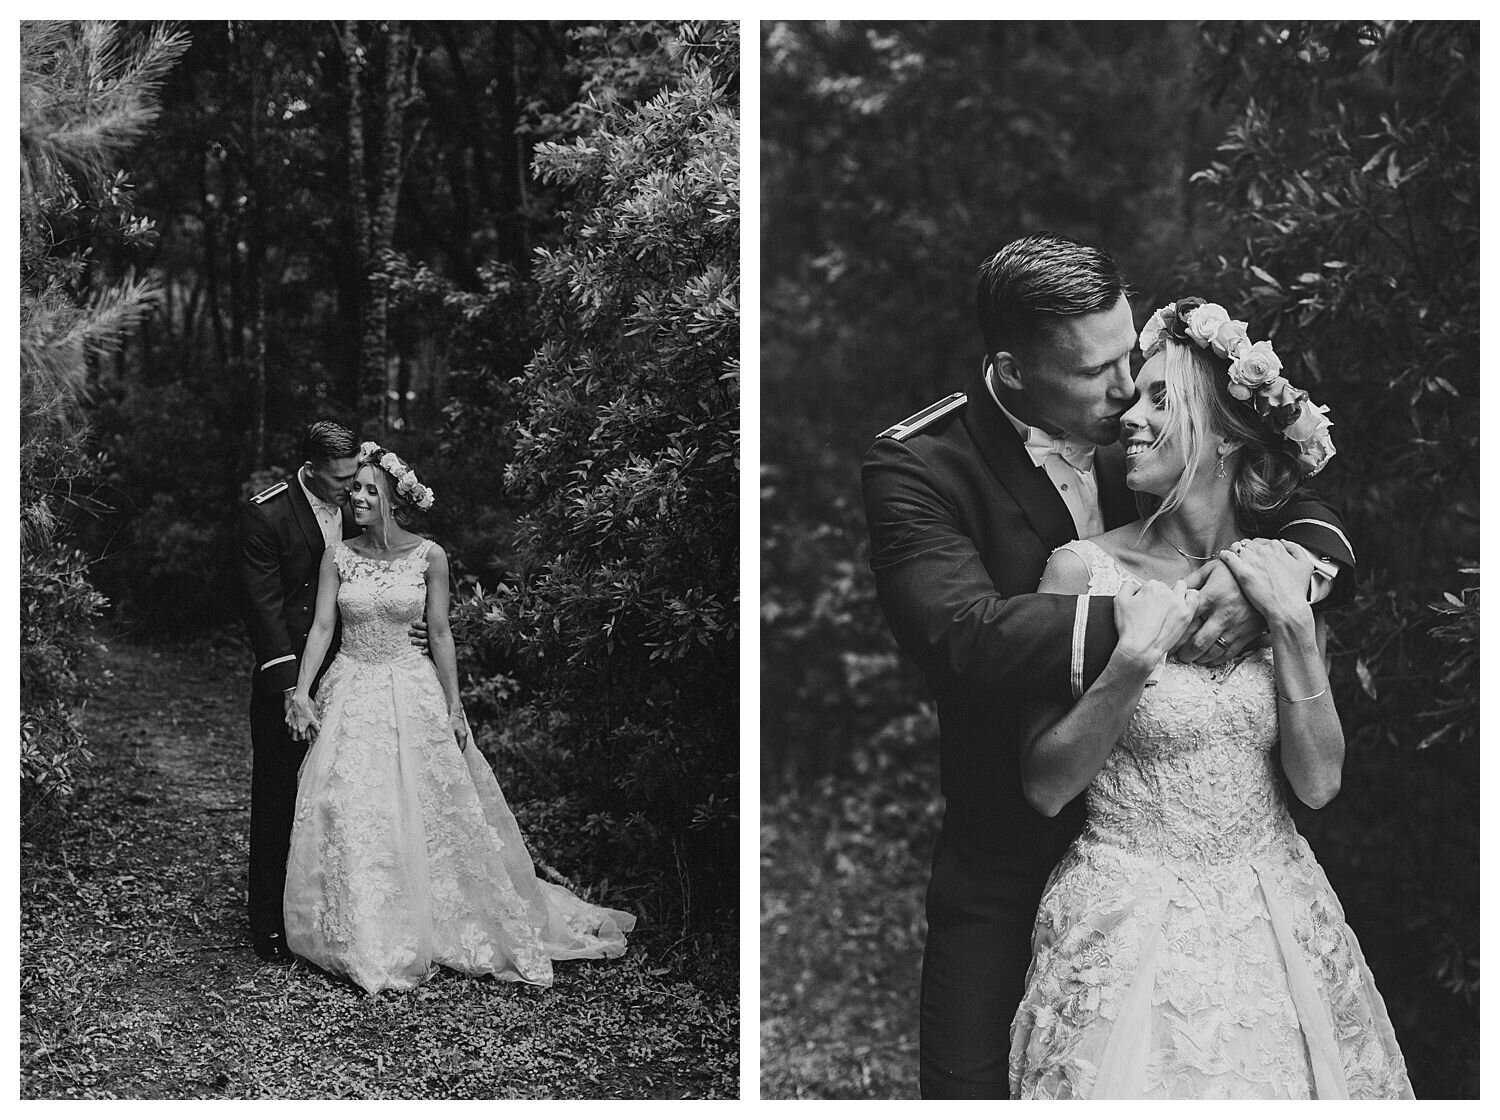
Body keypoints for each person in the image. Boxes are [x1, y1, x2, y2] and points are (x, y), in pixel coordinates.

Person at [861, 233, 1357, 1099]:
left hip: (1233, 890)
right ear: (1015, 374)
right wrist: (1153, 617)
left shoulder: (1156, 425)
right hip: (1014, 857)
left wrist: (1287, 583)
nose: (1127, 390)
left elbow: (1286, 497)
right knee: (968, 1092)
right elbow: (967, 638)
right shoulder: (921, 466)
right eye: (1098, 373)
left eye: (1130, 355)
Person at [1007, 296, 1411, 1098]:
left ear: (1226, 436)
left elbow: (1319, 784)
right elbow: (1045, 786)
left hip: (1275, 911)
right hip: (1124, 920)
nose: (1130, 414)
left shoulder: (1285, 577)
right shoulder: (1080, 572)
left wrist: (1292, 623)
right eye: (1135, 394)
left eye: (1162, 398)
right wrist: (1132, 662)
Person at [281, 441, 635, 993]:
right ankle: (362, 928)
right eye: (355, 489)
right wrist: (301, 692)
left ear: (394, 499)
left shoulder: (430, 556)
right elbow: (322, 628)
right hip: (352, 687)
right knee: (351, 803)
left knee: (428, 806)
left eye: (370, 490)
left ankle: (438, 918)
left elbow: (440, 631)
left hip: (412, 684)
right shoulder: (338, 556)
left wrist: (454, 703)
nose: (358, 497)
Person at [238, 420, 367, 963]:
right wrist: (294, 691)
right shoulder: (265, 513)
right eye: (340, 479)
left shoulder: (361, 497)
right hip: (291, 678)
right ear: (310, 468)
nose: (350, 488)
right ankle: (267, 918)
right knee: (278, 793)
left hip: (357, 669)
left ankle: (329, 908)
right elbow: (263, 611)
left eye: (354, 476)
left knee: (343, 794)